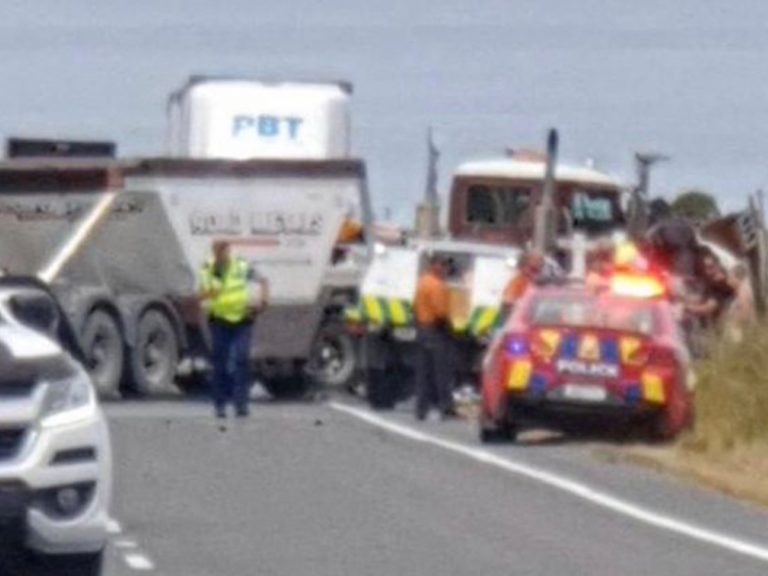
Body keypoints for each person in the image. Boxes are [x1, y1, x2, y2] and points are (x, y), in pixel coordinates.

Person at [200, 240, 268, 419]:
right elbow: (203, 293)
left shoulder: (240, 266)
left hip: (242, 319)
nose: (221, 255)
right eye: (217, 252)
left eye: (224, 251)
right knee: (220, 363)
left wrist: (263, 301)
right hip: (220, 320)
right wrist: (212, 290)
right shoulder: (208, 269)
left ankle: (241, 404)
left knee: (242, 359)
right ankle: (220, 405)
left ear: (228, 252)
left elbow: (263, 280)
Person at [413, 254, 454, 421]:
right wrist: (450, 326)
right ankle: (444, 406)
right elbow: (441, 312)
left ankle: (421, 408)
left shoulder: (423, 281)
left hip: (422, 329)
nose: (446, 270)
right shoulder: (436, 286)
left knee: (424, 372)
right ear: (436, 265)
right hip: (434, 330)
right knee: (440, 371)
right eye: (444, 266)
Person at [502, 249, 544, 316]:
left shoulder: (543, 283)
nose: (538, 265)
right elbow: (509, 302)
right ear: (523, 266)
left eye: (539, 268)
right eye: (532, 269)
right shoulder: (517, 281)